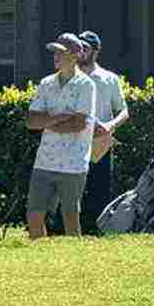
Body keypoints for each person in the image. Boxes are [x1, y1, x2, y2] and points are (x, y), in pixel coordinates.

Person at [24, 33, 98, 240]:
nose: (55, 56)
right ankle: (40, 257)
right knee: (34, 214)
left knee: (70, 215)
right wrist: (59, 118)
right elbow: (31, 121)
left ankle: (74, 259)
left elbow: (78, 124)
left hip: (73, 163)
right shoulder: (46, 83)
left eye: (61, 52)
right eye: (54, 52)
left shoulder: (86, 85)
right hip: (44, 160)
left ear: (75, 55)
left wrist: (46, 121)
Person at [75, 30, 130, 234]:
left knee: (100, 188)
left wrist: (109, 126)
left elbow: (123, 111)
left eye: (85, 48)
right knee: (73, 187)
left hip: (100, 142)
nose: (80, 52)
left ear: (96, 52)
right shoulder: (69, 77)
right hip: (72, 141)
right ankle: (73, 230)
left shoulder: (109, 79)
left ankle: (100, 230)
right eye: (78, 48)